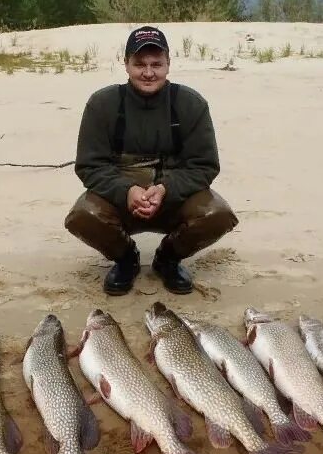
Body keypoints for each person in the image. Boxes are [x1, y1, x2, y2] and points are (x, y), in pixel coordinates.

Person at [64, 25, 239, 295]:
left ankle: (168, 258)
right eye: (140, 64)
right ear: (126, 64)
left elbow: (204, 166)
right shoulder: (101, 105)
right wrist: (127, 191)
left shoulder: (192, 104)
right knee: (82, 217)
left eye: (156, 64)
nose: (148, 72)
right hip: (121, 199)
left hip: (173, 198)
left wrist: (165, 190)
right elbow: (90, 166)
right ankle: (125, 258)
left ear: (168, 64)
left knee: (218, 215)